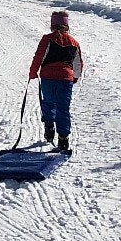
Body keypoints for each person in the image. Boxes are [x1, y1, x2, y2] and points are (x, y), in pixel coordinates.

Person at [28, 9, 84, 154]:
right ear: (67, 26)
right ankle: (63, 139)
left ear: (52, 25)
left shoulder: (47, 39)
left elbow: (39, 57)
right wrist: (75, 77)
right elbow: (78, 64)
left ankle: (49, 127)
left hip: (48, 77)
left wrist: (33, 72)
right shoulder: (74, 42)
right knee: (63, 108)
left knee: (48, 102)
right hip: (65, 79)